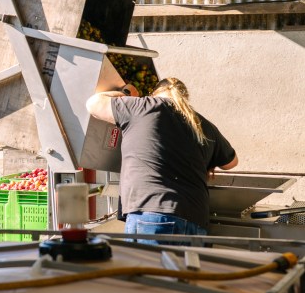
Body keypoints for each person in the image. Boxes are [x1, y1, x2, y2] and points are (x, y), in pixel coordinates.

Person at [86, 77, 238, 241]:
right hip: (196, 221)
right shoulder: (204, 125)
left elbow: (93, 104)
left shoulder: (143, 107)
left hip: (153, 215)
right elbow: (231, 162)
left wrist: (127, 92)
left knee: (147, 267)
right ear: (184, 98)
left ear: (155, 93)